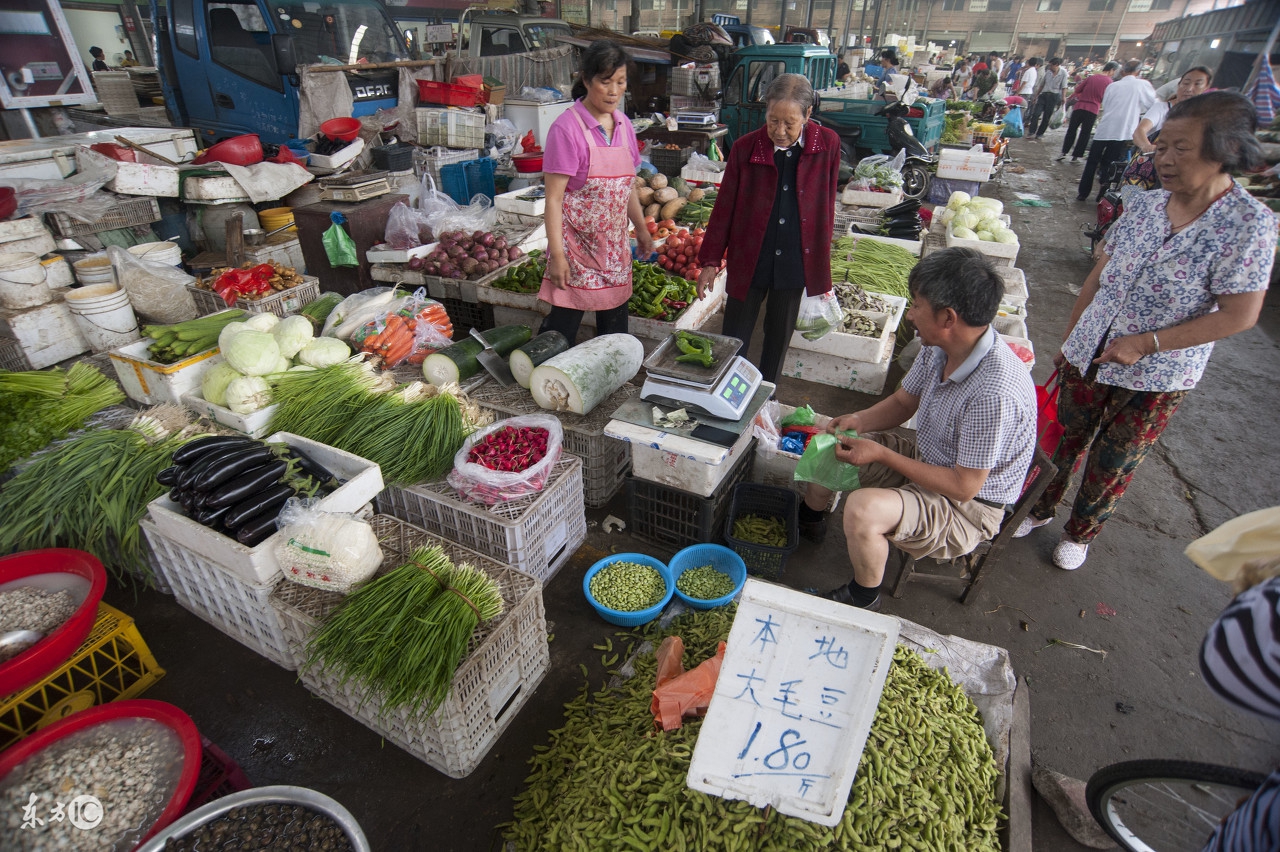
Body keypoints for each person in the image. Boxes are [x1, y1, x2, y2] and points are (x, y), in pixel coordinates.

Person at [1018, 92, 1276, 571]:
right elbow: (1100, 274)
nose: (1165, 159)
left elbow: (1240, 314)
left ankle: (1080, 532)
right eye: (1161, 147)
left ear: (1225, 151)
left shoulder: (1249, 225)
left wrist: (1147, 343)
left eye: (1182, 148)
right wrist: (1073, 338)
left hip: (1159, 375)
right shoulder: (1147, 205)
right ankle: (1038, 508)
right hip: (1090, 353)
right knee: (1062, 436)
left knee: (1114, 459)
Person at [799, 248, 1037, 611]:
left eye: (916, 305)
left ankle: (863, 596)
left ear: (948, 317)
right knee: (832, 446)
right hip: (932, 458)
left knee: (862, 510)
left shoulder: (994, 392)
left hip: (967, 506)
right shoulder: (940, 346)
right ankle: (808, 521)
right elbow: (904, 402)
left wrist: (882, 454)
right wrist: (859, 421)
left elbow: (963, 486)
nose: (910, 314)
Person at [694, 73, 840, 385]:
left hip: (795, 258)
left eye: (790, 123)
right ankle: (727, 390)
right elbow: (724, 208)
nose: (780, 131)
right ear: (765, 111)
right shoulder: (746, 148)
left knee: (778, 334)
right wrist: (710, 261)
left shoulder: (826, 145)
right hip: (751, 256)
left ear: (808, 114)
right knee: (735, 334)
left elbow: (826, 206)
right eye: (773, 121)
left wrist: (820, 266)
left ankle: (767, 395)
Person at [538, 40, 654, 342]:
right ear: (587, 80)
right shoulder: (567, 129)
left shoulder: (624, 125)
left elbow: (626, 186)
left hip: (614, 249)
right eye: (606, 82)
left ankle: (610, 383)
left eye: (620, 82)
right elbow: (553, 199)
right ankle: (540, 379)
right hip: (574, 250)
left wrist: (640, 229)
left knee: (615, 337)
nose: (614, 91)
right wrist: (558, 256)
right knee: (560, 331)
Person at [1075, 60, 1156, 202]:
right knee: (1111, 163)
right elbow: (1152, 104)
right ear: (1138, 72)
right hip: (1123, 131)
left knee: (1092, 162)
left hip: (1105, 129)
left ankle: (1083, 192)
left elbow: (1106, 105)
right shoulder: (1142, 84)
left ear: (1123, 71)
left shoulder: (1113, 86)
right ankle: (1103, 192)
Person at [1132, 66, 1212, 154]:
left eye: (1197, 84)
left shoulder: (1205, 116)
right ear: (1179, 85)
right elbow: (1139, 131)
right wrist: (1147, 146)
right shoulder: (1162, 108)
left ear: (1206, 88)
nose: (1189, 89)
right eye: (1186, 83)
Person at [1057, 60, 1116, 163]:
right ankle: (1075, 156)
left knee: (1071, 130)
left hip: (1079, 107)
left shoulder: (1091, 77)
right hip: (1092, 110)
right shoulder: (1110, 82)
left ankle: (1064, 152)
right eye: (1114, 71)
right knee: (1085, 133)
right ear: (1111, 70)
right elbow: (1106, 98)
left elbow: (1078, 90)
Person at [1026, 57, 1067, 140]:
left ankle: (1040, 133)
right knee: (1036, 114)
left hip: (1054, 96)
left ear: (1056, 65)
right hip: (1043, 95)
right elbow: (1042, 85)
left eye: (1051, 65)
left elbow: (1064, 87)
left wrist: (1063, 97)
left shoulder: (1063, 73)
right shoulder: (1048, 72)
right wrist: (1036, 96)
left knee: (1046, 117)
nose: (1050, 67)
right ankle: (1031, 132)